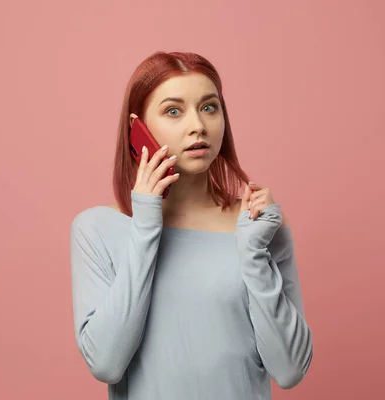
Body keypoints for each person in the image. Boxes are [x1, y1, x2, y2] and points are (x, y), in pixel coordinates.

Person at [69, 51, 313, 399]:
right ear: (136, 128)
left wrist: (254, 253)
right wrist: (146, 225)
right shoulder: (97, 229)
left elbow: (289, 369)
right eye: (173, 111)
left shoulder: (257, 224)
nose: (197, 125)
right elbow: (106, 363)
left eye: (209, 107)